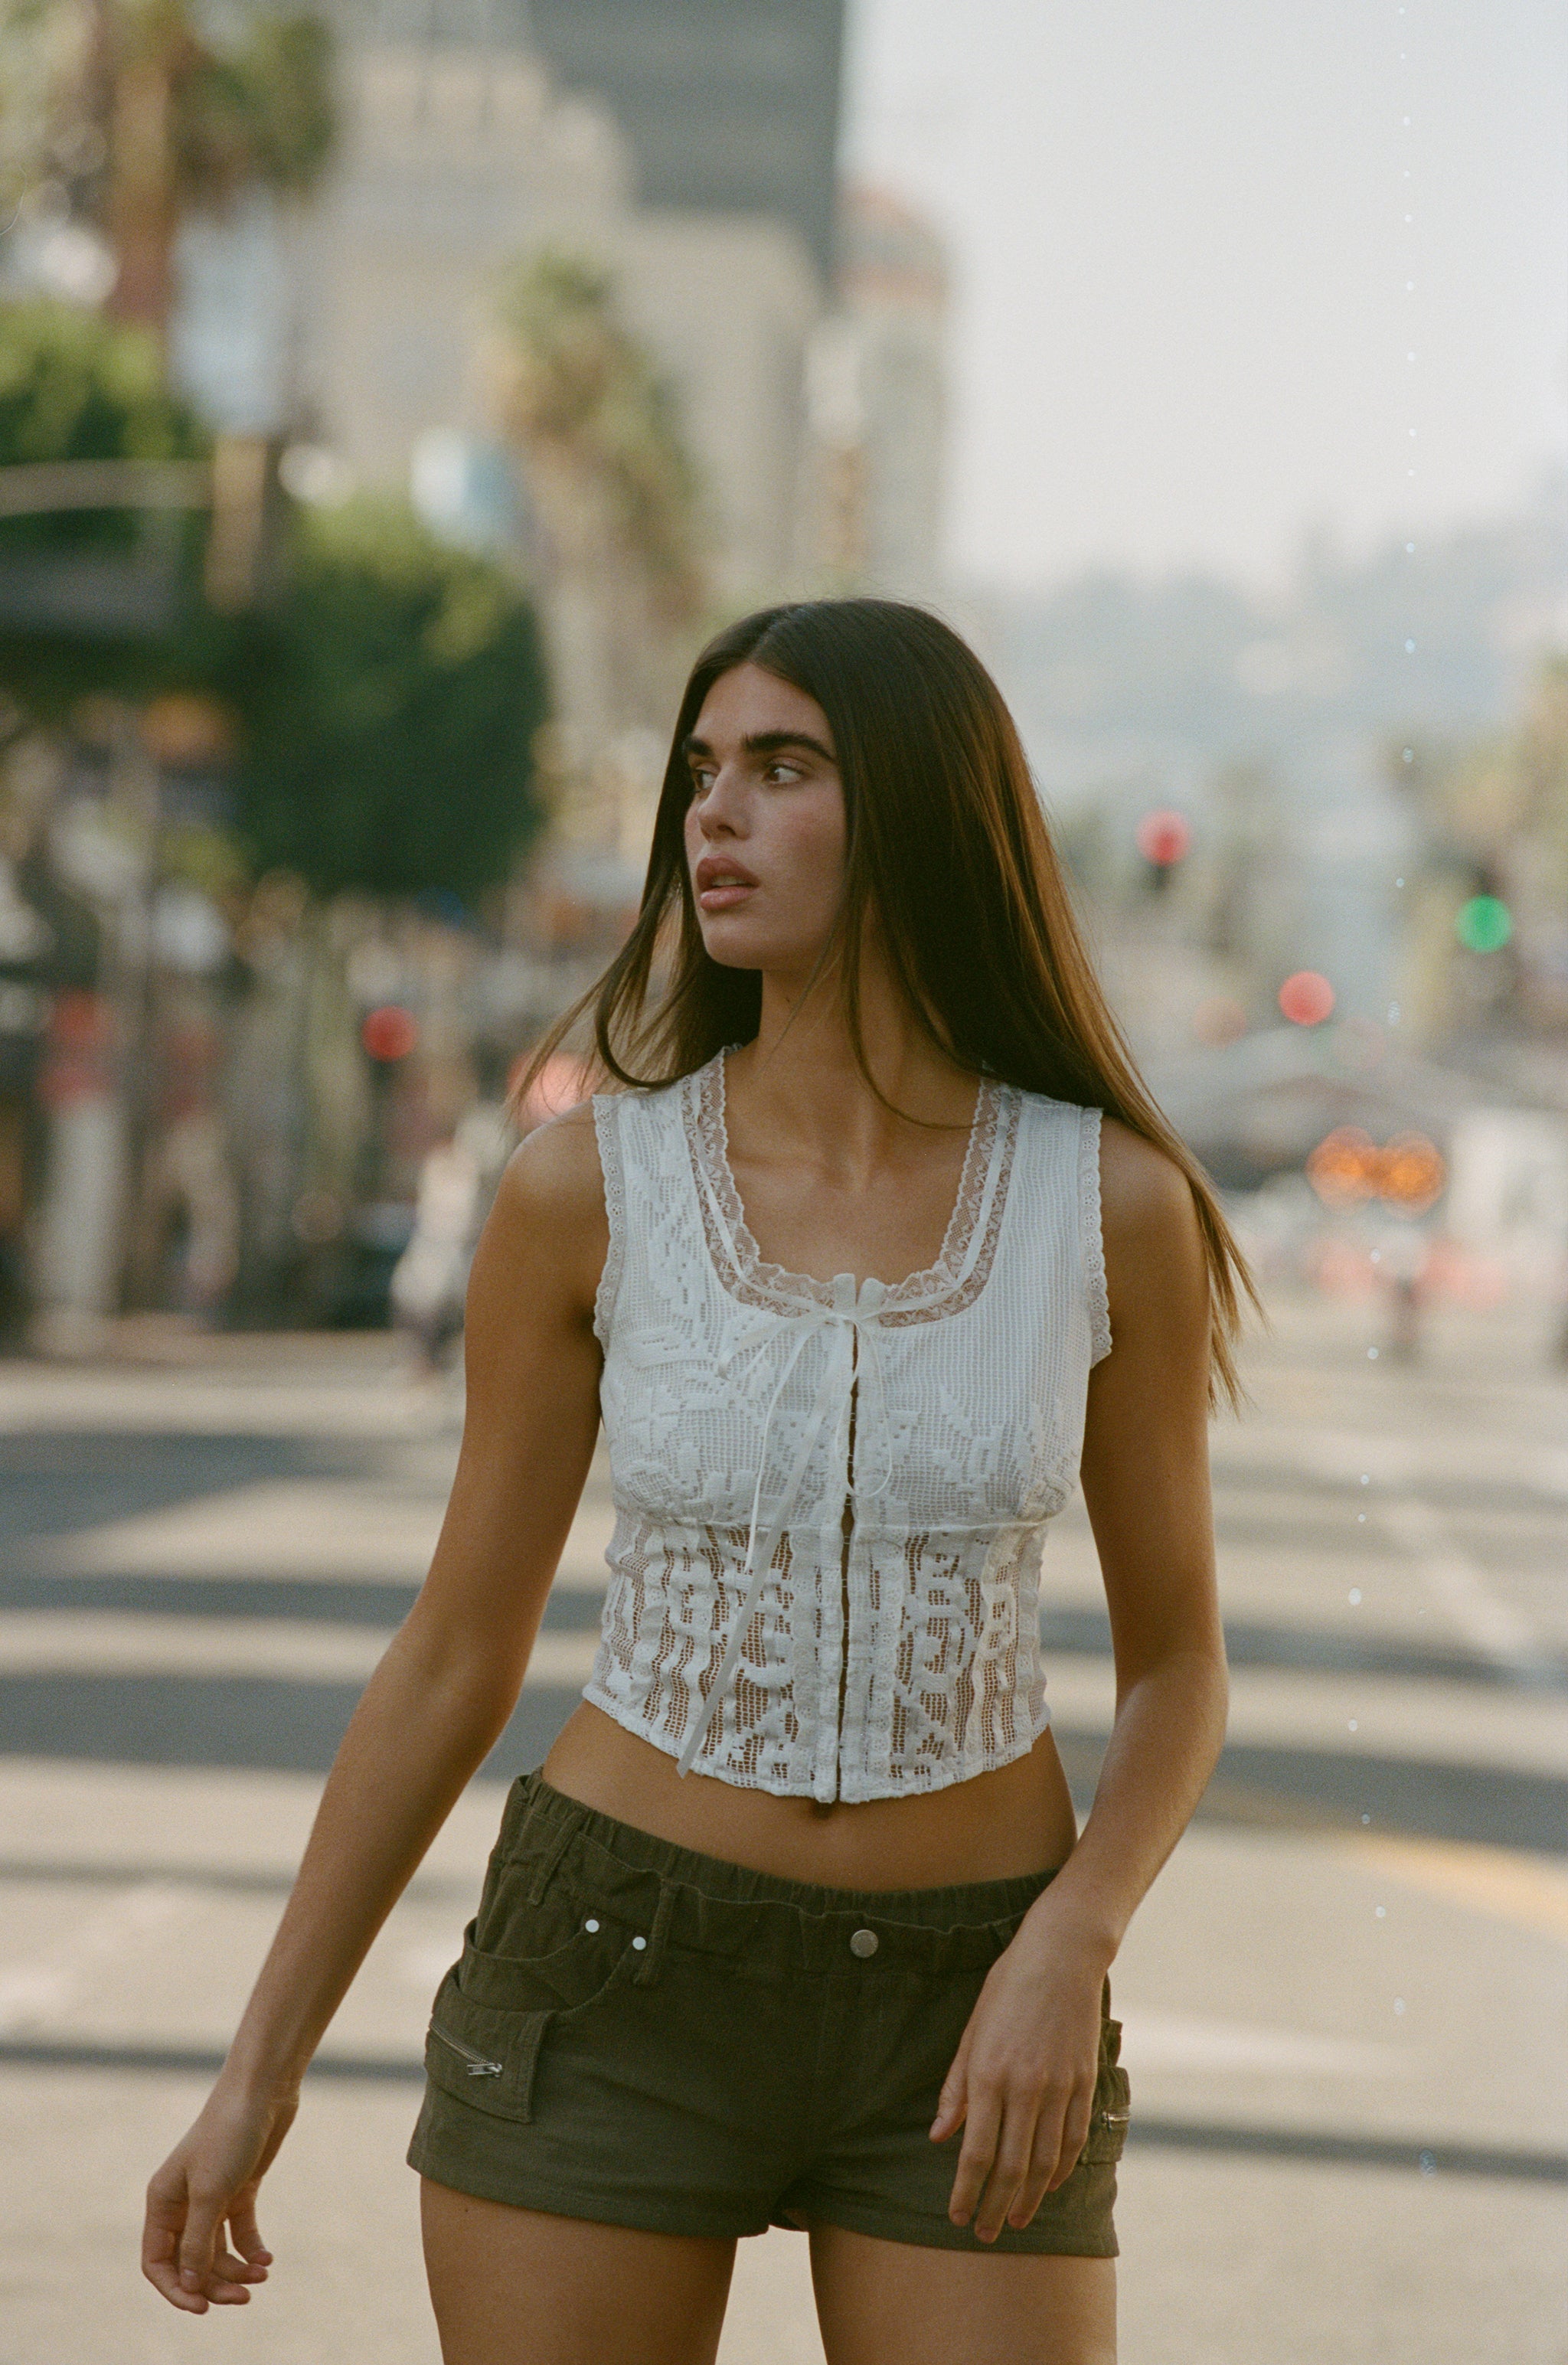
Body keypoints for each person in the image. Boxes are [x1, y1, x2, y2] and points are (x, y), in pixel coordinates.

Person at [142, 601, 1252, 2365]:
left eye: (782, 769)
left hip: (976, 2001)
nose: (711, 817)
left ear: (917, 814)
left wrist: (1073, 1940)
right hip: (611, 1966)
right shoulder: (582, 1194)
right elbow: (453, 1654)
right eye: (699, 773)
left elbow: (1177, 1665)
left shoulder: (1109, 1210)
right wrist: (255, 2073)